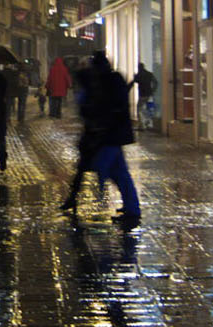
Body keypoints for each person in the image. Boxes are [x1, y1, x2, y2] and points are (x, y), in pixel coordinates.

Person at [58, 52, 140, 224]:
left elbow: (108, 106)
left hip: (107, 135)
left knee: (110, 170)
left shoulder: (108, 82)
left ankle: (131, 209)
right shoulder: (109, 80)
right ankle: (132, 208)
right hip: (108, 134)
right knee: (118, 172)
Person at [44, 55, 72, 119]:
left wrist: (47, 86)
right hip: (62, 89)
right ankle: (58, 113)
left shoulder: (52, 69)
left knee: (53, 101)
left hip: (54, 89)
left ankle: (53, 113)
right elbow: (67, 78)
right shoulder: (64, 69)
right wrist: (68, 85)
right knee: (59, 101)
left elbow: (49, 79)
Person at [133, 63, 158, 130]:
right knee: (148, 108)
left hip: (142, 94)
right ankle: (149, 123)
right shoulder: (149, 74)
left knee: (139, 109)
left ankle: (142, 125)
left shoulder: (139, 75)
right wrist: (153, 90)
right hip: (149, 94)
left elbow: (133, 82)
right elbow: (155, 82)